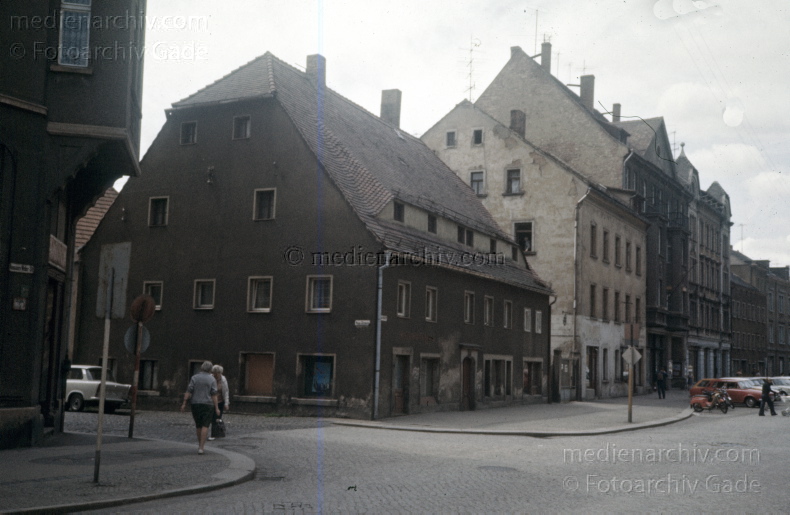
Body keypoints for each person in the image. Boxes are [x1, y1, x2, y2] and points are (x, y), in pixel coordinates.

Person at [181, 361, 220, 454]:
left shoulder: (194, 378)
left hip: (195, 403)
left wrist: (184, 403)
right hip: (208, 404)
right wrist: (217, 407)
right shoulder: (212, 379)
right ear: (210, 369)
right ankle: (202, 447)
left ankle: (199, 444)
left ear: (201, 368)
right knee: (205, 425)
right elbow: (214, 394)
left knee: (198, 425)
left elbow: (189, 391)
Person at [208, 364, 230, 440]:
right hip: (210, 401)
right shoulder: (210, 378)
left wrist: (226, 403)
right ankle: (212, 432)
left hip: (220, 401)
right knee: (211, 417)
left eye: (217, 373)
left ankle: (215, 433)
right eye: (214, 373)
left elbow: (226, 391)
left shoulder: (223, 380)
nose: (216, 374)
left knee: (217, 417)